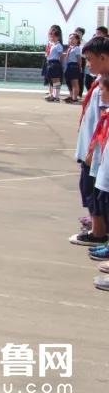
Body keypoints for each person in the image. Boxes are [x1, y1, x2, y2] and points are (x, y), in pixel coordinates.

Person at [74, 38, 109, 250]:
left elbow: (102, 125)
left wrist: (92, 151)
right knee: (92, 192)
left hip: (96, 154)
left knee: (97, 195)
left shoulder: (105, 85)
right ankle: (99, 228)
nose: (88, 64)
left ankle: (99, 233)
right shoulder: (100, 81)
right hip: (92, 151)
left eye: (89, 59)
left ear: (103, 58)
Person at [44, 25, 65, 102]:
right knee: (52, 80)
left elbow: (61, 56)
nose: (52, 37)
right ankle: (53, 95)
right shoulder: (50, 44)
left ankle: (56, 96)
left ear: (58, 37)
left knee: (56, 80)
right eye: (51, 35)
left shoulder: (58, 45)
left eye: (54, 36)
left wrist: (61, 65)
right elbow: (47, 54)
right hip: (50, 63)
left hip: (55, 63)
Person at [64, 32, 84, 104]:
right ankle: (71, 96)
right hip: (69, 66)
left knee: (74, 83)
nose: (71, 40)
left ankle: (74, 98)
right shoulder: (70, 48)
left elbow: (79, 59)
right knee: (69, 82)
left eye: (73, 39)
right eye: (70, 39)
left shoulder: (77, 48)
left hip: (74, 66)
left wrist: (80, 67)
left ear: (77, 40)